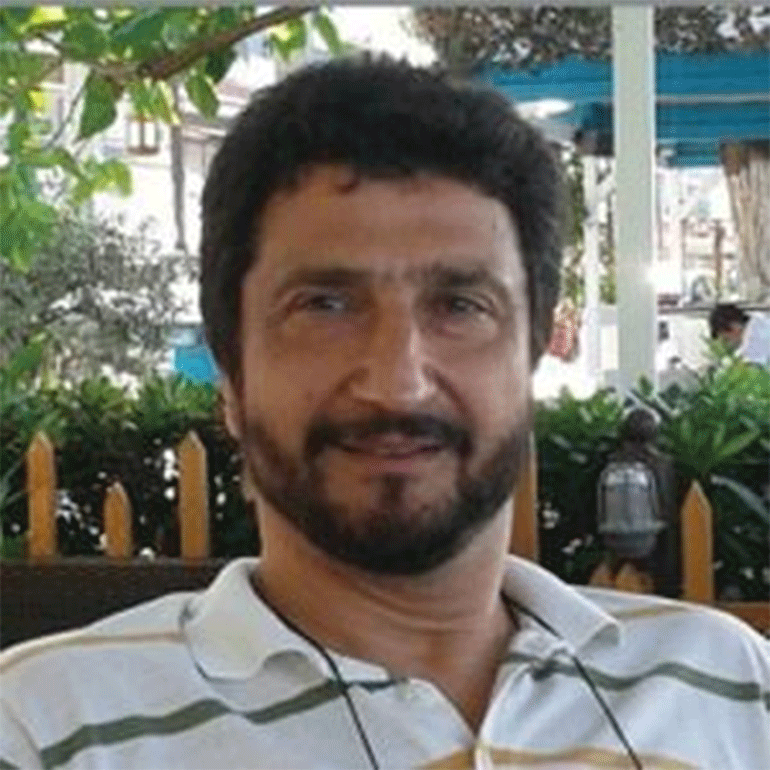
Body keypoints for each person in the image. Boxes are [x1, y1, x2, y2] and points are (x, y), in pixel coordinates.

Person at [2, 56, 769, 770]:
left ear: (533, 356)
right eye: (324, 305)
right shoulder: (44, 730)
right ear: (231, 374)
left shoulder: (734, 690)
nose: (398, 385)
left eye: (460, 305)